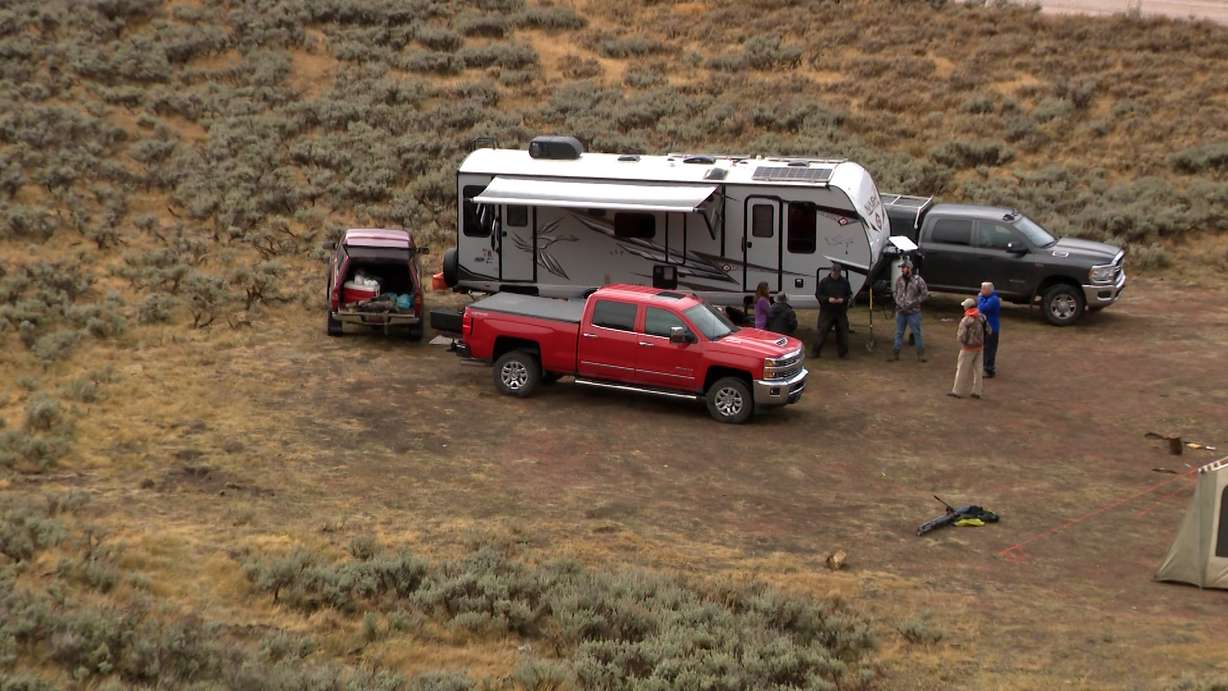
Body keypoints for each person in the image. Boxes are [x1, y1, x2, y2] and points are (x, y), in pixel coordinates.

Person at [950, 297, 991, 399]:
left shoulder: (966, 320)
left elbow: (961, 336)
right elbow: (989, 330)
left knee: (962, 369)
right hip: (979, 347)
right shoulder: (982, 317)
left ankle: (957, 391)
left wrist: (963, 343)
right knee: (978, 370)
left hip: (968, 348)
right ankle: (977, 391)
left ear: (967, 307)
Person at [890, 261, 929, 362]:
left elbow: (925, 294)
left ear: (910, 269)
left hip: (913, 312)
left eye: (904, 268)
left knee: (916, 333)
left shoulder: (918, 280)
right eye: (902, 268)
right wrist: (898, 302)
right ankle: (895, 353)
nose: (902, 270)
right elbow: (895, 292)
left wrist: (914, 303)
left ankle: (920, 355)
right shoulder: (899, 280)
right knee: (899, 333)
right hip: (900, 311)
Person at [812, 264, 852, 358]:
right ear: (831, 271)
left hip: (840, 311)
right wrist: (827, 299)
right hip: (827, 311)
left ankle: (843, 353)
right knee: (822, 331)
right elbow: (818, 294)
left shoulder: (845, 282)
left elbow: (849, 295)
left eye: (837, 272)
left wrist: (843, 300)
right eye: (834, 272)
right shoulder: (824, 282)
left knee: (843, 332)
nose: (836, 274)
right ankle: (815, 352)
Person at [977, 281, 1001, 378]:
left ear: (988, 290)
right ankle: (985, 367)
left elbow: (982, 308)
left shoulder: (994, 300)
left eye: (983, 289)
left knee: (990, 349)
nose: (981, 291)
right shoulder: (987, 298)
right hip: (985, 327)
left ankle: (989, 369)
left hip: (992, 328)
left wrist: (980, 298)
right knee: (985, 348)